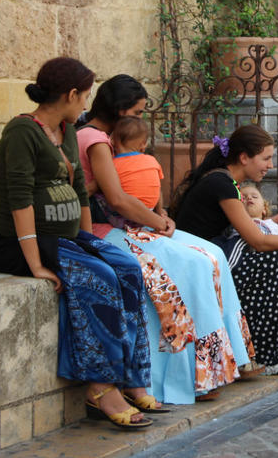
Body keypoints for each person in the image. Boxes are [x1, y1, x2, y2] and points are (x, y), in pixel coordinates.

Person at [0, 57, 156, 429]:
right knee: (98, 277)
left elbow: (78, 192)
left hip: (64, 237)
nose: (86, 104)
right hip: (16, 242)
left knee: (125, 266)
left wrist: (88, 240)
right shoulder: (22, 132)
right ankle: (100, 384)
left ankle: (132, 375)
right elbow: (20, 200)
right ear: (72, 93)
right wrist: (34, 264)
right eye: (85, 96)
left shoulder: (68, 129)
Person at [77, 75, 255, 405]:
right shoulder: (95, 139)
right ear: (120, 110)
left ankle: (225, 363)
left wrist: (159, 218)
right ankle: (192, 375)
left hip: (133, 223)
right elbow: (116, 198)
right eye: (139, 112)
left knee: (211, 253)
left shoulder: (105, 138)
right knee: (190, 265)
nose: (141, 120)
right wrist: (159, 221)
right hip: (109, 228)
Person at [172, 124, 278, 374]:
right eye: (266, 158)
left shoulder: (225, 182)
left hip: (212, 261)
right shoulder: (223, 184)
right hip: (199, 269)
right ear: (244, 158)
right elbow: (258, 241)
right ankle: (263, 353)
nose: (270, 165)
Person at [95, 116, 164, 229]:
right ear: (143, 144)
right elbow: (158, 189)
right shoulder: (152, 161)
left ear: (112, 140)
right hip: (149, 215)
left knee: (98, 193)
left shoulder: (111, 164)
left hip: (122, 217)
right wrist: (159, 212)